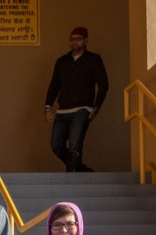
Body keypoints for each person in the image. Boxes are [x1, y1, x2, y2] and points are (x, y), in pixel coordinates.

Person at [44, 27, 109, 173]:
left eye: (78, 39)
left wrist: (96, 107)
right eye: (72, 39)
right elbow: (54, 85)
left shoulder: (93, 60)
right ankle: (80, 168)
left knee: (75, 145)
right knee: (56, 144)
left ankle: (72, 177)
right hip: (62, 110)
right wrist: (48, 107)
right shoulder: (62, 61)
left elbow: (104, 85)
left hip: (82, 109)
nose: (75, 42)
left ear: (86, 41)